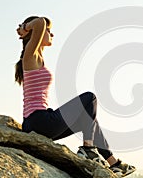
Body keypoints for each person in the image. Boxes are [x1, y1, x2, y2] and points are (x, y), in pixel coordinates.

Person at [15, 16, 136, 177]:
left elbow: (40, 25)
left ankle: (114, 163)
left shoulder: (37, 58)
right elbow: (40, 23)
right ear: (36, 33)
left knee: (89, 120)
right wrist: (26, 27)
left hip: (40, 122)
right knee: (89, 98)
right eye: (48, 31)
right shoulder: (31, 55)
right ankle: (87, 149)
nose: (52, 34)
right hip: (38, 121)